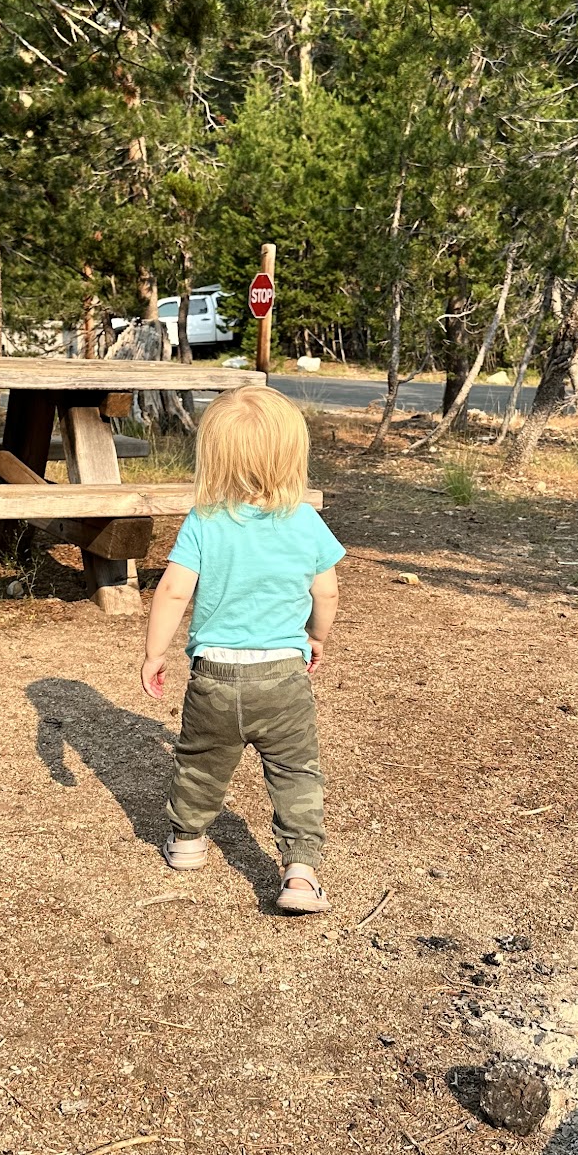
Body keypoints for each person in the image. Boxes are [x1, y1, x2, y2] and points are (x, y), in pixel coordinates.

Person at [139, 386, 343, 912]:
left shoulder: (204, 522)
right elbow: (326, 591)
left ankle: (186, 841)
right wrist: (315, 637)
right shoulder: (304, 520)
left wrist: (154, 653)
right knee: (296, 770)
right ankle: (299, 871)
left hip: (213, 675)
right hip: (282, 676)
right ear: (291, 453)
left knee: (201, 761)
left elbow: (174, 589)